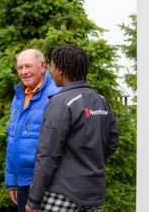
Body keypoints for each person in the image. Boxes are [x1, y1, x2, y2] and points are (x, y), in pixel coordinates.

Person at [25, 44, 119, 212]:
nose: (50, 70)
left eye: (52, 66)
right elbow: (112, 143)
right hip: (94, 195)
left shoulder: (60, 102)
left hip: (62, 194)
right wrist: (86, 163)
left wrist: (33, 200)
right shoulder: (101, 100)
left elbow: (47, 155)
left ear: (60, 70)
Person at [5, 49, 60, 212]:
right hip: (22, 184)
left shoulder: (55, 95)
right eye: (19, 68)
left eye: (28, 66)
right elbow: (13, 139)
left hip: (46, 185)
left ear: (43, 66)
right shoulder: (19, 96)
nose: (23, 72)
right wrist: (12, 181)